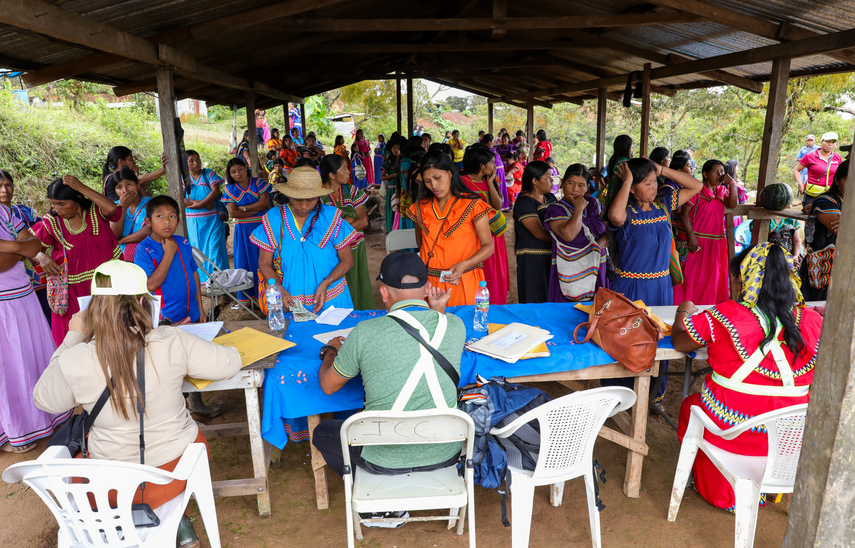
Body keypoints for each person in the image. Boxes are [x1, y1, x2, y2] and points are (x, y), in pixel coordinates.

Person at [33, 260, 242, 546]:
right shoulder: (171, 340)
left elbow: (44, 399)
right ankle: (175, 519)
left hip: (110, 487)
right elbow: (229, 363)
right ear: (145, 302)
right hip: (174, 473)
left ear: (92, 309)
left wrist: (73, 336)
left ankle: (158, 523)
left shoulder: (75, 358)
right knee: (190, 438)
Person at [313, 251, 462, 526]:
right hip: (445, 453)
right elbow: (428, 337)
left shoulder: (365, 332)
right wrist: (436, 310)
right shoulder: (455, 326)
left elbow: (328, 386)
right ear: (428, 289)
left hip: (382, 457)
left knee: (323, 432)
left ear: (383, 292)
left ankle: (378, 507)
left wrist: (331, 351)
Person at [672, 243, 822, 512]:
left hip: (732, 435)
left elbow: (681, 343)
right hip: (789, 441)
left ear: (747, 277)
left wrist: (682, 312)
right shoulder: (811, 320)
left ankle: (719, 487)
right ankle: (771, 489)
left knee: (689, 405)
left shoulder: (725, 315)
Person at [0, 203, 71, 453]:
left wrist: (12, 248)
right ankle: (12, 431)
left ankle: (41, 420)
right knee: (7, 369)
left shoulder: (5, 212)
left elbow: (35, 245)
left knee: (31, 360)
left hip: (23, 297)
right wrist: (21, 249)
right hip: (3, 306)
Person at [31, 176, 122, 346]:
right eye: (53, 204)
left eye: (62, 204)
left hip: (106, 289)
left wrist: (82, 187)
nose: (56, 209)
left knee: (108, 340)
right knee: (72, 343)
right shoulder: (52, 222)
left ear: (78, 199)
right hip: (69, 293)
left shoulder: (97, 211)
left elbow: (113, 209)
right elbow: (24, 243)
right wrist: (41, 257)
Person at [252, 166, 355, 313]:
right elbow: (264, 262)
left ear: (319, 196)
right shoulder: (274, 218)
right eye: (298, 199)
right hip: (290, 301)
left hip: (332, 298)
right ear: (289, 194)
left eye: (311, 199)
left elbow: (347, 260)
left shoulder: (331, 218)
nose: (304, 206)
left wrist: (327, 283)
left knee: (336, 335)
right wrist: (278, 287)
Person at [607, 158, 702, 306]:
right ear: (632, 189)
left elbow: (696, 186)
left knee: (659, 327)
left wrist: (661, 170)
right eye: (647, 184)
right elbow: (615, 216)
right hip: (632, 287)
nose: (654, 187)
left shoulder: (663, 204)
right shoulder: (627, 213)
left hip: (661, 286)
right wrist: (627, 181)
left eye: (655, 181)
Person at [405, 150, 493, 307]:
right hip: (431, 286)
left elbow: (488, 246)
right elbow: (421, 245)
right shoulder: (420, 207)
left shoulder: (473, 205)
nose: (434, 185)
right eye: (427, 181)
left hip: (463, 279)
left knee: (464, 327)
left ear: (451, 173)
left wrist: (464, 265)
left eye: (438, 178)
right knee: (433, 328)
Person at [673, 160, 739, 306]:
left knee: (712, 277)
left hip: (716, 242)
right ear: (705, 174)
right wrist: (691, 237)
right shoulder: (697, 190)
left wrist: (732, 184)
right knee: (692, 276)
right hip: (696, 240)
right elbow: (684, 215)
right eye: (715, 171)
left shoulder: (722, 191)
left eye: (722, 171)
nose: (720, 175)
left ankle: (707, 309)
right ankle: (685, 308)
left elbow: (733, 204)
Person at [134, 196, 206, 325]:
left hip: (191, 314)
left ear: (178, 221)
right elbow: (150, 285)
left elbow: (194, 273)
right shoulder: (144, 249)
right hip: (165, 319)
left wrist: (200, 307)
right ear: (148, 222)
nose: (167, 221)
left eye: (172, 216)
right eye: (160, 216)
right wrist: (169, 254)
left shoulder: (182, 242)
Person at [544, 164, 609, 303]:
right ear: (562, 183)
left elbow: (612, 227)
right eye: (571, 183)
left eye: (581, 185)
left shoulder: (594, 204)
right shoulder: (555, 209)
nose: (575, 189)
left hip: (597, 266)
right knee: (567, 313)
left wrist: (600, 244)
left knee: (596, 310)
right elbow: (569, 235)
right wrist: (578, 209)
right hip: (569, 269)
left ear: (587, 187)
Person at [319, 155, 375, 310]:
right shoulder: (319, 196)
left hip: (356, 248)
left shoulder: (352, 191)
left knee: (359, 283)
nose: (349, 171)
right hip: (334, 252)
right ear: (332, 175)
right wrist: (350, 219)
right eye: (344, 168)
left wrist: (339, 225)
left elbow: (364, 221)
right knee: (339, 285)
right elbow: (322, 230)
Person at [460, 145, 510, 305]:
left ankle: (495, 303)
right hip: (472, 234)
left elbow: (498, 204)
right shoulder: (461, 181)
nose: (495, 167)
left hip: (493, 234)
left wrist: (490, 183)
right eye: (491, 163)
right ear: (482, 166)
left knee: (493, 271)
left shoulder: (491, 180)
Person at [220, 157, 271, 307]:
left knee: (263, 259)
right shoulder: (230, 189)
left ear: (246, 167)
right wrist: (254, 208)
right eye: (233, 172)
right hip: (243, 230)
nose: (238, 174)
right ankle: (250, 297)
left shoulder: (258, 183)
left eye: (240, 169)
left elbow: (265, 203)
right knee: (246, 261)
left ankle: (267, 294)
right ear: (230, 174)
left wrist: (242, 208)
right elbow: (233, 214)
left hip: (262, 227)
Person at [0, 170, 49, 322]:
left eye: (8, 185)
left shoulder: (20, 213)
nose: (4, 190)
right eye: (0, 186)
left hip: (29, 284)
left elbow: (35, 243)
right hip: (9, 294)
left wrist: (10, 247)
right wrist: (24, 251)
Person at [799, 160, 846, 301]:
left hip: (844, 267)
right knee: (820, 308)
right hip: (824, 268)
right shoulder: (825, 201)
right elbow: (844, 232)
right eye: (848, 179)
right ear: (837, 180)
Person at [512, 161, 557, 304]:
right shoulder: (524, 202)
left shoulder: (550, 198)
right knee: (534, 297)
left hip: (552, 255)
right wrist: (566, 241)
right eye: (548, 176)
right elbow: (539, 233)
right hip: (532, 257)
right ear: (535, 181)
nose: (551, 180)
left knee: (550, 297)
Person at [183, 150, 230, 281]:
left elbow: (216, 191)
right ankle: (205, 282)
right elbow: (181, 199)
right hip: (193, 223)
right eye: (191, 161)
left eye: (197, 159)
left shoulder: (208, 173)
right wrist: (204, 203)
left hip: (213, 221)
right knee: (198, 252)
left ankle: (221, 282)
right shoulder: (182, 179)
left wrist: (201, 204)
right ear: (184, 164)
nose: (196, 163)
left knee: (215, 250)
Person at [794, 131, 842, 215]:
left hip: (829, 194)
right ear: (821, 142)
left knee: (827, 219)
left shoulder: (837, 157)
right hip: (812, 194)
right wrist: (800, 183)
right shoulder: (810, 156)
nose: (830, 144)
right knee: (810, 220)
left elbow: (841, 175)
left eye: (833, 142)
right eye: (827, 141)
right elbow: (796, 170)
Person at [109, 167, 152, 262]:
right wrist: (123, 208)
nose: (124, 190)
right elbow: (113, 235)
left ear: (138, 184)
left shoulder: (151, 204)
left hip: (146, 258)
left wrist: (122, 240)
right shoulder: (113, 207)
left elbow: (150, 230)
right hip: (121, 260)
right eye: (119, 187)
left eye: (129, 184)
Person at [102, 146, 167, 202]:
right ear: (121, 162)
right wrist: (162, 170)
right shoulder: (112, 178)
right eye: (131, 159)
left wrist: (135, 180)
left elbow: (147, 199)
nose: (134, 163)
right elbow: (141, 179)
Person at [604, 134, 633, 212]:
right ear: (627, 147)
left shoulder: (613, 161)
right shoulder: (625, 163)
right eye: (631, 146)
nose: (632, 148)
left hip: (611, 197)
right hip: (620, 198)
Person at [381, 137, 403, 234]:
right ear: (390, 149)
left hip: (402, 190)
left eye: (398, 147)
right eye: (394, 148)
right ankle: (391, 234)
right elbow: (382, 177)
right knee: (392, 213)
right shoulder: (388, 161)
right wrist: (393, 175)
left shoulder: (404, 160)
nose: (396, 150)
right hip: (392, 191)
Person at [482, 134, 510, 209]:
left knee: (500, 186)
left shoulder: (491, 149)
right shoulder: (487, 149)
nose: (493, 142)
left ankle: (503, 205)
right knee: (497, 187)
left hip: (500, 170)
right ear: (489, 142)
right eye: (492, 141)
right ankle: (498, 204)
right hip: (496, 170)